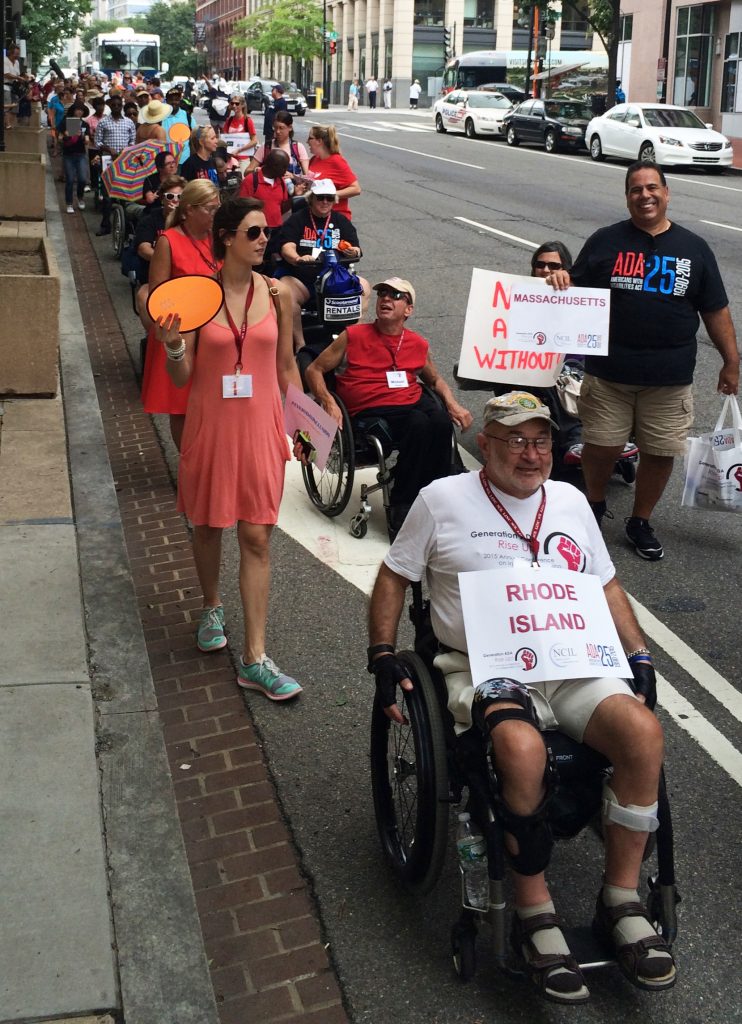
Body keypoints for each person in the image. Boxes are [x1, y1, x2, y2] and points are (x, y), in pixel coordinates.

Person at [367, 390, 676, 1004]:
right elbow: (394, 575)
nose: (531, 454)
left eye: (541, 442)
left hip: (572, 660)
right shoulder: (441, 500)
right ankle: (535, 908)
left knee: (643, 734)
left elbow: (606, 584)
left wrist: (637, 653)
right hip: (484, 664)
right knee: (519, 747)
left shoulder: (568, 501)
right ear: (487, 445)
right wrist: (382, 656)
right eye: (516, 441)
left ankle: (620, 899)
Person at [546, 160, 739, 560]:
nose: (645, 195)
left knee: (659, 451)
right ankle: (594, 505)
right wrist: (560, 280)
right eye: (636, 189)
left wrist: (730, 362)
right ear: (628, 197)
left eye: (652, 187)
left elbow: (715, 309)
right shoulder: (605, 241)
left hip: (669, 379)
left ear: (666, 193)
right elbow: (574, 295)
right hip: (609, 375)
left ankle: (640, 520)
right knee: (601, 446)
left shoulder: (694, 248)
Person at [152, 197, 303, 701]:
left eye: (265, 233)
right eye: (255, 233)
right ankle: (211, 604)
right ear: (227, 238)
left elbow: (284, 367)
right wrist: (173, 345)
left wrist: (303, 427)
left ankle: (255, 657)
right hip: (212, 428)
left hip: (261, 429)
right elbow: (182, 374)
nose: (265, 240)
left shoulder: (277, 293)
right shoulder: (198, 297)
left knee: (257, 537)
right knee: (209, 526)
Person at [306, 277, 472, 533]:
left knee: (440, 422)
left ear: (409, 309)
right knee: (418, 424)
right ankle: (402, 502)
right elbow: (314, 369)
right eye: (382, 293)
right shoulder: (354, 335)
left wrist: (453, 404)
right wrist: (328, 401)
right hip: (370, 410)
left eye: (396, 296)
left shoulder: (417, 343)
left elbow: (435, 379)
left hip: (408, 401)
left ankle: (437, 495)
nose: (385, 298)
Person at [140, 179, 222, 448]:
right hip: (181, 334)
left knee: (212, 402)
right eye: (209, 209)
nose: (215, 214)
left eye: (217, 208)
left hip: (214, 332)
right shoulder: (169, 241)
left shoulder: (219, 239)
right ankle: (186, 463)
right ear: (188, 211)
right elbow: (158, 296)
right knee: (181, 407)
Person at [271, 178, 370, 351]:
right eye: (320, 197)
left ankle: (353, 339)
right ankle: (300, 345)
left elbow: (356, 248)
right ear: (311, 198)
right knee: (285, 291)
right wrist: (297, 258)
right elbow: (287, 246)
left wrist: (353, 251)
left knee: (365, 287)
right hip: (303, 279)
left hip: (336, 280)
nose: (325, 201)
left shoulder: (341, 221)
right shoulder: (297, 220)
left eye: (329, 198)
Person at [94, 92, 137, 235]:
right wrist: (108, 148)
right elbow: (97, 141)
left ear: (122, 106)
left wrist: (127, 149)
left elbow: (132, 140)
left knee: (124, 194)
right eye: (114, 105)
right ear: (110, 106)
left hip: (124, 162)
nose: (117, 107)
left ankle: (125, 225)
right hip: (108, 161)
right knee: (107, 196)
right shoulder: (103, 122)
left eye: (119, 105)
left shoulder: (129, 122)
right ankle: (105, 225)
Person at [133, 175, 185, 282]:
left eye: (180, 197)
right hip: (154, 276)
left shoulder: (188, 221)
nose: (175, 200)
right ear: (162, 199)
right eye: (170, 196)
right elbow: (143, 249)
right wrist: (169, 261)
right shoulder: (149, 220)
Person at [305, 124, 361, 220]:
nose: (307, 141)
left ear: (319, 141)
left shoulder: (337, 161)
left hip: (335, 218)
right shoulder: (314, 159)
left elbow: (356, 189)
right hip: (316, 216)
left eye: (310, 138)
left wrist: (329, 196)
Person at [238, 149, 290, 229]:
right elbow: (242, 208)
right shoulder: (251, 180)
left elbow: (282, 208)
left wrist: (295, 196)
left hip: (277, 229)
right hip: (258, 230)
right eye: (284, 167)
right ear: (274, 166)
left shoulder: (281, 181)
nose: (286, 171)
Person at [247, 110, 308, 178]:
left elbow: (307, 177)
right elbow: (247, 172)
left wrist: (293, 176)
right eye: (275, 128)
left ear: (290, 127)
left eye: (281, 128)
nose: (277, 131)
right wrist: (258, 171)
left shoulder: (298, 147)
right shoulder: (266, 147)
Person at [60, 99, 91, 214]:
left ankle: (80, 197)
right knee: (69, 179)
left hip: (81, 154)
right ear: (73, 111)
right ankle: (69, 203)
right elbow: (61, 136)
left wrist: (83, 137)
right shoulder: (66, 122)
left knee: (82, 179)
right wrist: (68, 135)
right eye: (77, 110)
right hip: (68, 154)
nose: (79, 112)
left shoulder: (85, 124)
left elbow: (87, 140)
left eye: (81, 110)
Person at [162, 87, 192, 165]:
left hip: (185, 161)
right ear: (166, 101)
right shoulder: (161, 116)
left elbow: (194, 135)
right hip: (167, 162)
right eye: (171, 99)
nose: (174, 102)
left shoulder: (187, 116)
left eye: (176, 99)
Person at [3, 43, 22, 129]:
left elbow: (17, 74)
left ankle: (11, 124)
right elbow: (6, 74)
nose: (17, 56)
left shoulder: (17, 62)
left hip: (14, 86)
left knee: (15, 106)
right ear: (11, 52)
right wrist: (18, 77)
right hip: (5, 86)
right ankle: (7, 124)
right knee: (7, 104)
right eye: (16, 54)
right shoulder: (5, 60)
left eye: (18, 54)